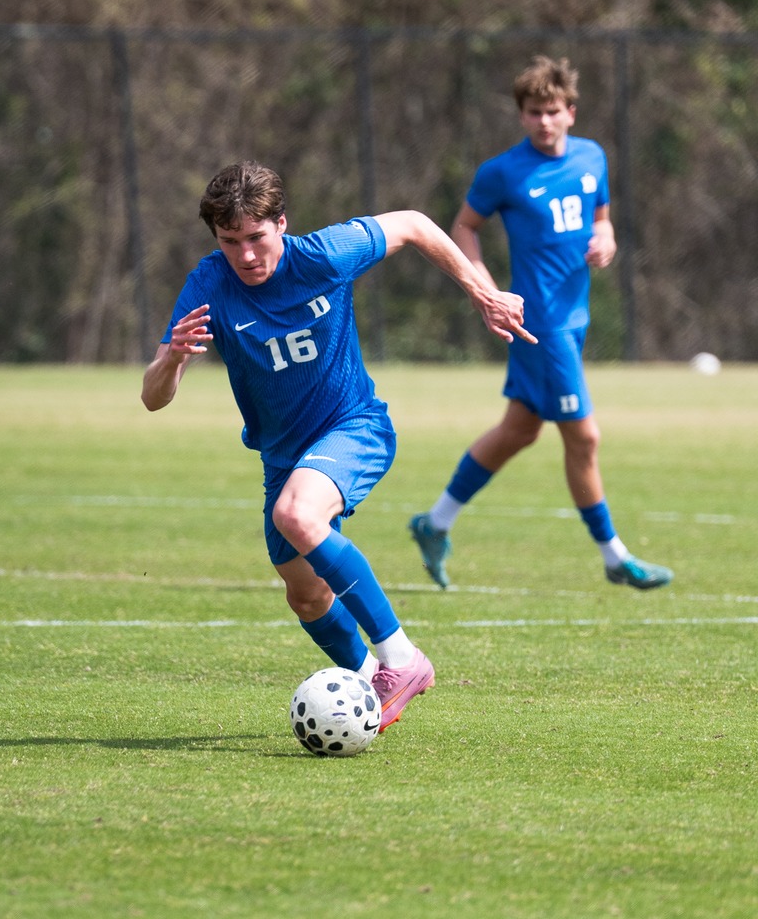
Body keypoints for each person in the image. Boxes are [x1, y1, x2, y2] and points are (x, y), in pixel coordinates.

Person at [142, 161, 535, 731]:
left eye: (257, 238)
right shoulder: (208, 285)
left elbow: (417, 225)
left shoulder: (323, 256)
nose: (247, 256)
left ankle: (403, 660)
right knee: (305, 596)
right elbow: (155, 397)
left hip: (354, 428)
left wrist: (483, 292)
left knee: (297, 514)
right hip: (283, 456)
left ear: (282, 223)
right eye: (231, 242)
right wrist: (173, 358)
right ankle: (370, 688)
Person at [409, 56, 674, 592]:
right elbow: (463, 226)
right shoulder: (503, 172)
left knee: (518, 431)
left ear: (571, 112)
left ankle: (433, 523)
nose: (544, 121)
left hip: (575, 319)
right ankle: (614, 556)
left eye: (553, 111)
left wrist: (608, 237)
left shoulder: (592, 157)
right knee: (585, 438)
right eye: (533, 113)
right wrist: (485, 288)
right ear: (521, 116)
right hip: (542, 324)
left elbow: (601, 219)